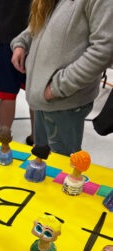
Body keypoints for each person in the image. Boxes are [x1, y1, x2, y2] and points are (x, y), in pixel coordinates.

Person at [11, 0, 113, 156]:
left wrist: (57, 87)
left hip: (65, 103)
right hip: (42, 100)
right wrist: (22, 42)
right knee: (41, 163)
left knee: (60, 172)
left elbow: (103, 50)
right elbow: (41, 23)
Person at [0, 0, 34, 145]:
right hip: (34, 37)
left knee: (7, 93)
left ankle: (4, 139)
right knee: (35, 92)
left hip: (7, 33)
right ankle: (37, 138)